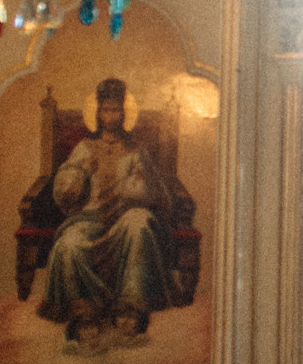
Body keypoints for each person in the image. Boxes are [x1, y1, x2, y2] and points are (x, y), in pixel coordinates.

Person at [37, 77, 189, 347]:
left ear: (124, 113)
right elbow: (64, 194)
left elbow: (147, 193)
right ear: (97, 113)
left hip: (124, 217)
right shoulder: (84, 148)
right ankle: (84, 313)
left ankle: (130, 308)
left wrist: (134, 185)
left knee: (138, 223)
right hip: (89, 219)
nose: (110, 116)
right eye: (105, 110)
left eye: (116, 110)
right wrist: (78, 175)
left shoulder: (135, 151)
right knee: (69, 243)